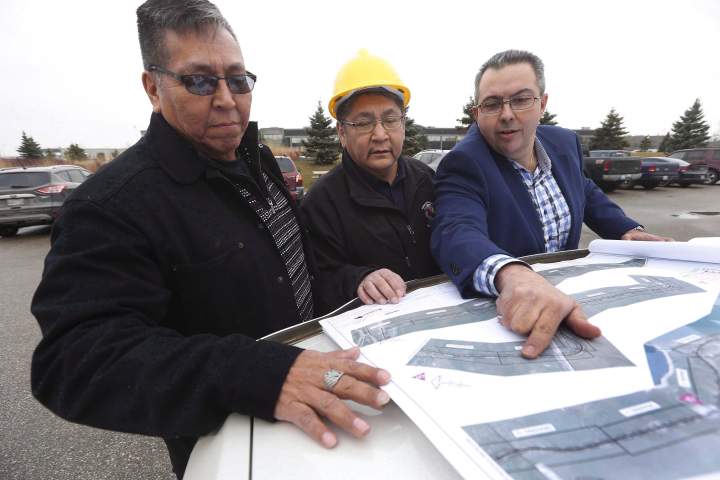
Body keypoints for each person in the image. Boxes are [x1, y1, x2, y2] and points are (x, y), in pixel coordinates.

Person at [30, 2, 390, 478]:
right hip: (236, 450)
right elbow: (75, 361)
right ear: (153, 88)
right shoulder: (112, 204)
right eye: (200, 81)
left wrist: (355, 280)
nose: (226, 99)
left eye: (238, 80)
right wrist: (257, 373)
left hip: (320, 403)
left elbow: (294, 273)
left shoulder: (257, 160)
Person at [432, 49, 671, 361]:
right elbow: (456, 230)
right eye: (492, 104)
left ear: (542, 104)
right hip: (513, 319)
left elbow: (584, 190)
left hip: (574, 300)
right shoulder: (465, 162)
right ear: (477, 113)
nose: (506, 114)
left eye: (521, 99)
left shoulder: (564, 143)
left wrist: (626, 230)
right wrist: (510, 274)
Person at [300, 50, 440, 313]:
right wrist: (359, 280)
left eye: (390, 120)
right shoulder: (321, 203)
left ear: (403, 124)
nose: (380, 134)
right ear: (342, 132)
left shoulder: (426, 179)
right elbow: (318, 280)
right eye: (364, 123)